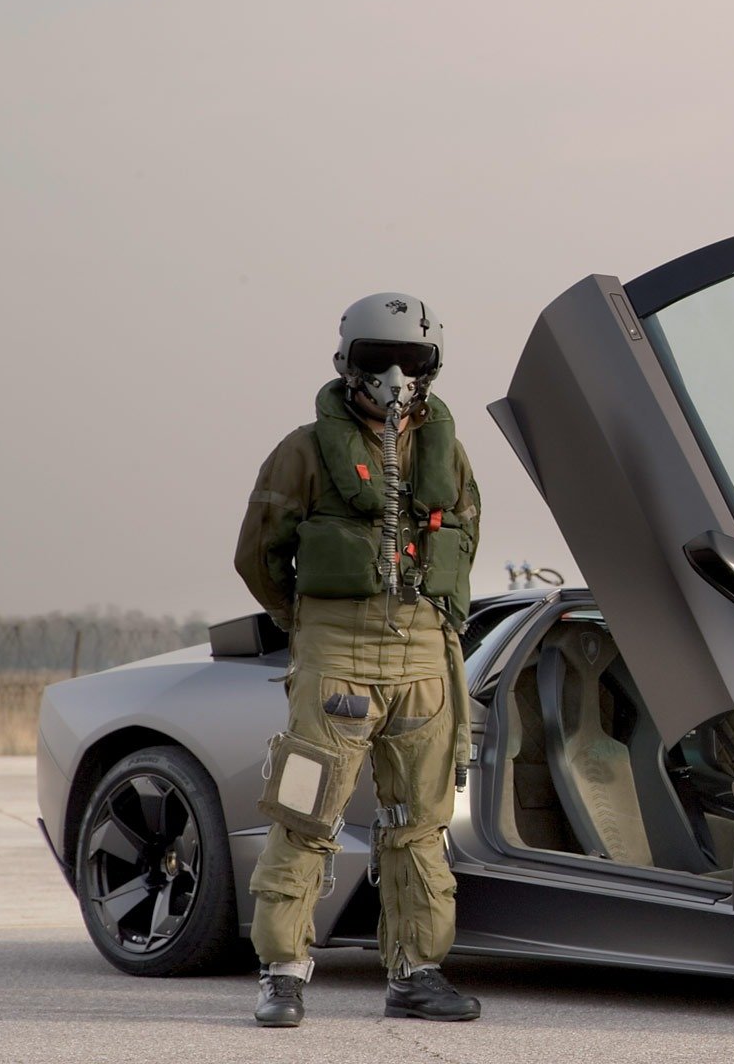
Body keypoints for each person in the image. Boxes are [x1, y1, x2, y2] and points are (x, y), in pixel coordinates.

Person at [234, 293, 482, 1027]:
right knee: (307, 812)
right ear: (348, 364)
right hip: (336, 656)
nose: (396, 376)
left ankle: (417, 972)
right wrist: (305, 623)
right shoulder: (304, 451)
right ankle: (281, 973)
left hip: (423, 663)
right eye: (379, 360)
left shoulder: (449, 454)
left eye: (412, 360)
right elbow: (258, 555)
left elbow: (462, 544)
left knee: (419, 822)